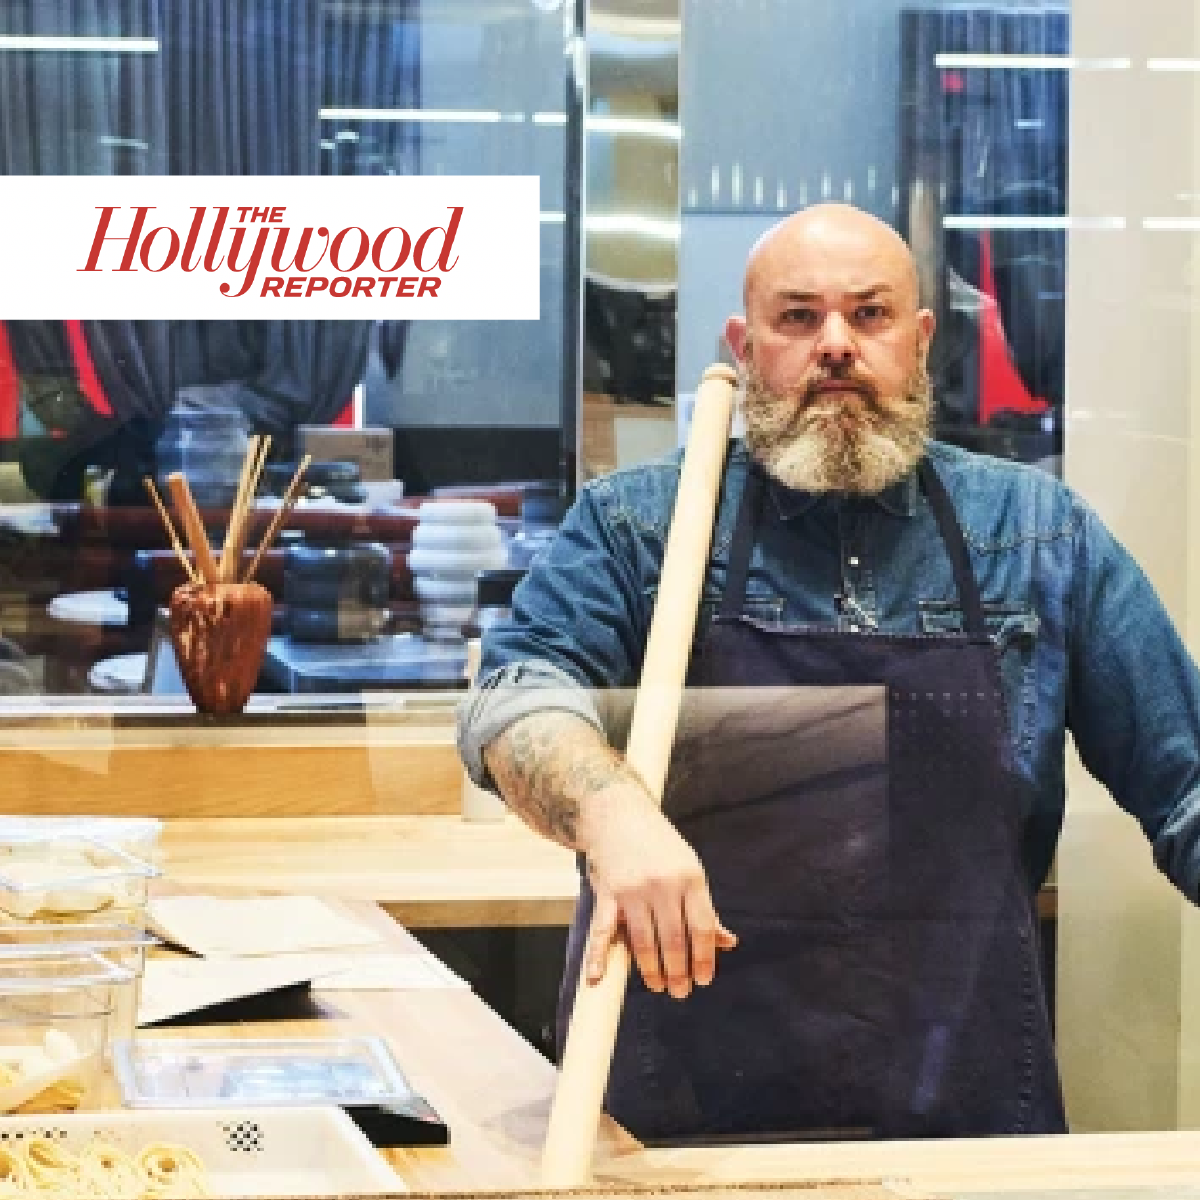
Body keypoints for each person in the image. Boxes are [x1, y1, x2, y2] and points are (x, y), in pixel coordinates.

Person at [457, 203, 1200, 1144]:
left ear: (920, 340)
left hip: (961, 1128)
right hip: (674, 1129)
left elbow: (1188, 787)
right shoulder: (640, 529)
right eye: (798, 317)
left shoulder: (1040, 539)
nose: (836, 345)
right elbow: (514, 698)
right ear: (744, 342)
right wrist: (611, 809)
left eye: (871, 315)